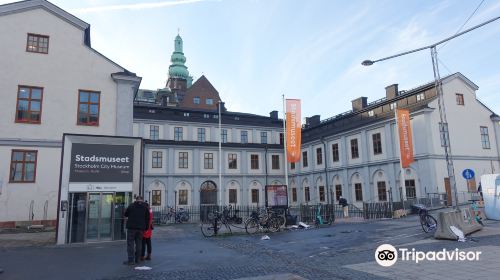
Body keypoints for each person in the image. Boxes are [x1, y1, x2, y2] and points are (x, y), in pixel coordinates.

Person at [123, 195, 150, 266]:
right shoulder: (145, 207)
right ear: (142, 200)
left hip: (131, 228)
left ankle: (131, 260)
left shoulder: (131, 206)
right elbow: (147, 218)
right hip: (141, 229)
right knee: (139, 244)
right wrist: (146, 228)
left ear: (136, 199)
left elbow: (126, 214)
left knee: (130, 244)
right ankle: (137, 259)